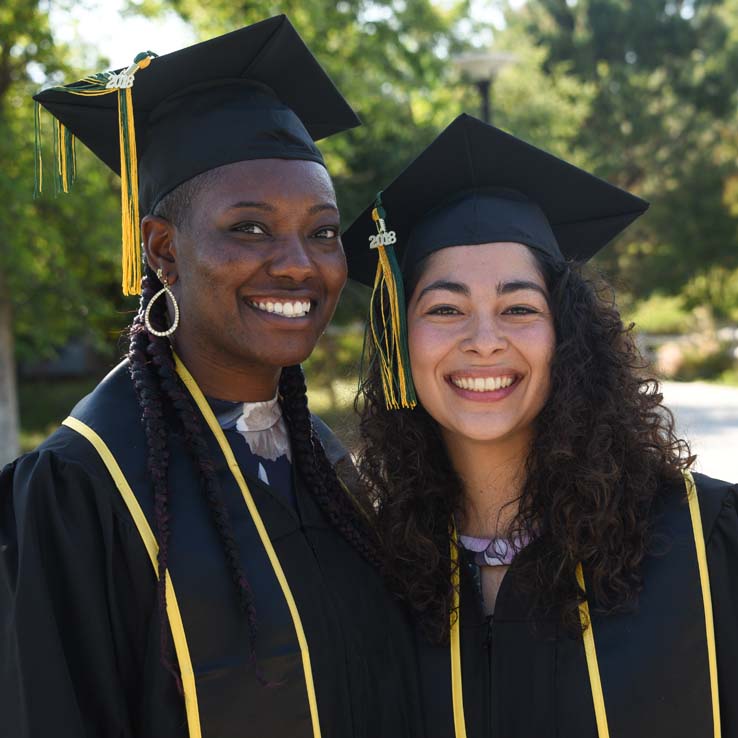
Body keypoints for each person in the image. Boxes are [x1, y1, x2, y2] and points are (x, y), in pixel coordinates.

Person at [0, 17, 424, 738]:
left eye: (322, 231)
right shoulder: (85, 487)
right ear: (163, 249)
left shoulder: (322, 462)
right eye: (249, 228)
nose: (299, 263)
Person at [342, 113, 738, 738]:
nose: (483, 341)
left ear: (568, 335)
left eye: (518, 307)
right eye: (445, 308)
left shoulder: (702, 538)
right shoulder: (369, 571)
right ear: (399, 339)